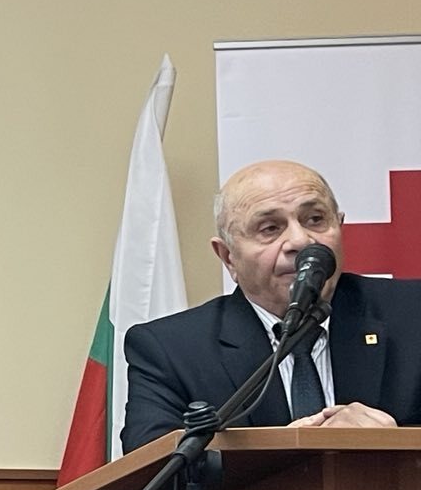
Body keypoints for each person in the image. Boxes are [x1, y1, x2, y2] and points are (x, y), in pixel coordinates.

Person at [121, 159, 421, 453]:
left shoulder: (413, 314)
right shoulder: (171, 350)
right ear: (228, 257)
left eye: (315, 219)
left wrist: (394, 445)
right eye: (269, 228)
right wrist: (276, 456)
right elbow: (154, 469)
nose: (300, 241)